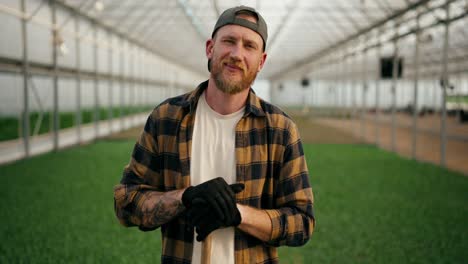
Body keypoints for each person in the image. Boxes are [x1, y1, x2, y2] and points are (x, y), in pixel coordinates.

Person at [114, 5, 315, 264]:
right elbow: (126, 203)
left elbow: (302, 222)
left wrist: (237, 214)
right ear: (211, 48)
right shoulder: (167, 119)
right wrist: (184, 197)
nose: (236, 53)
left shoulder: (279, 129)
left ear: (261, 62)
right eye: (229, 41)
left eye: (249, 46)